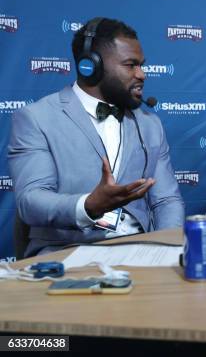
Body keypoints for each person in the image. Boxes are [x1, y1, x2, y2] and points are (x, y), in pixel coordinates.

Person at [8, 17, 184, 256]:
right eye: (131, 65)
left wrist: (166, 250)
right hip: (66, 250)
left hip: (140, 250)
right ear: (91, 67)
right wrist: (88, 205)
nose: (142, 74)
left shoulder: (149, 124)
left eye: (142, 65)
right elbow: (31, 201)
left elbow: (166, 201)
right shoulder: (36, 118)